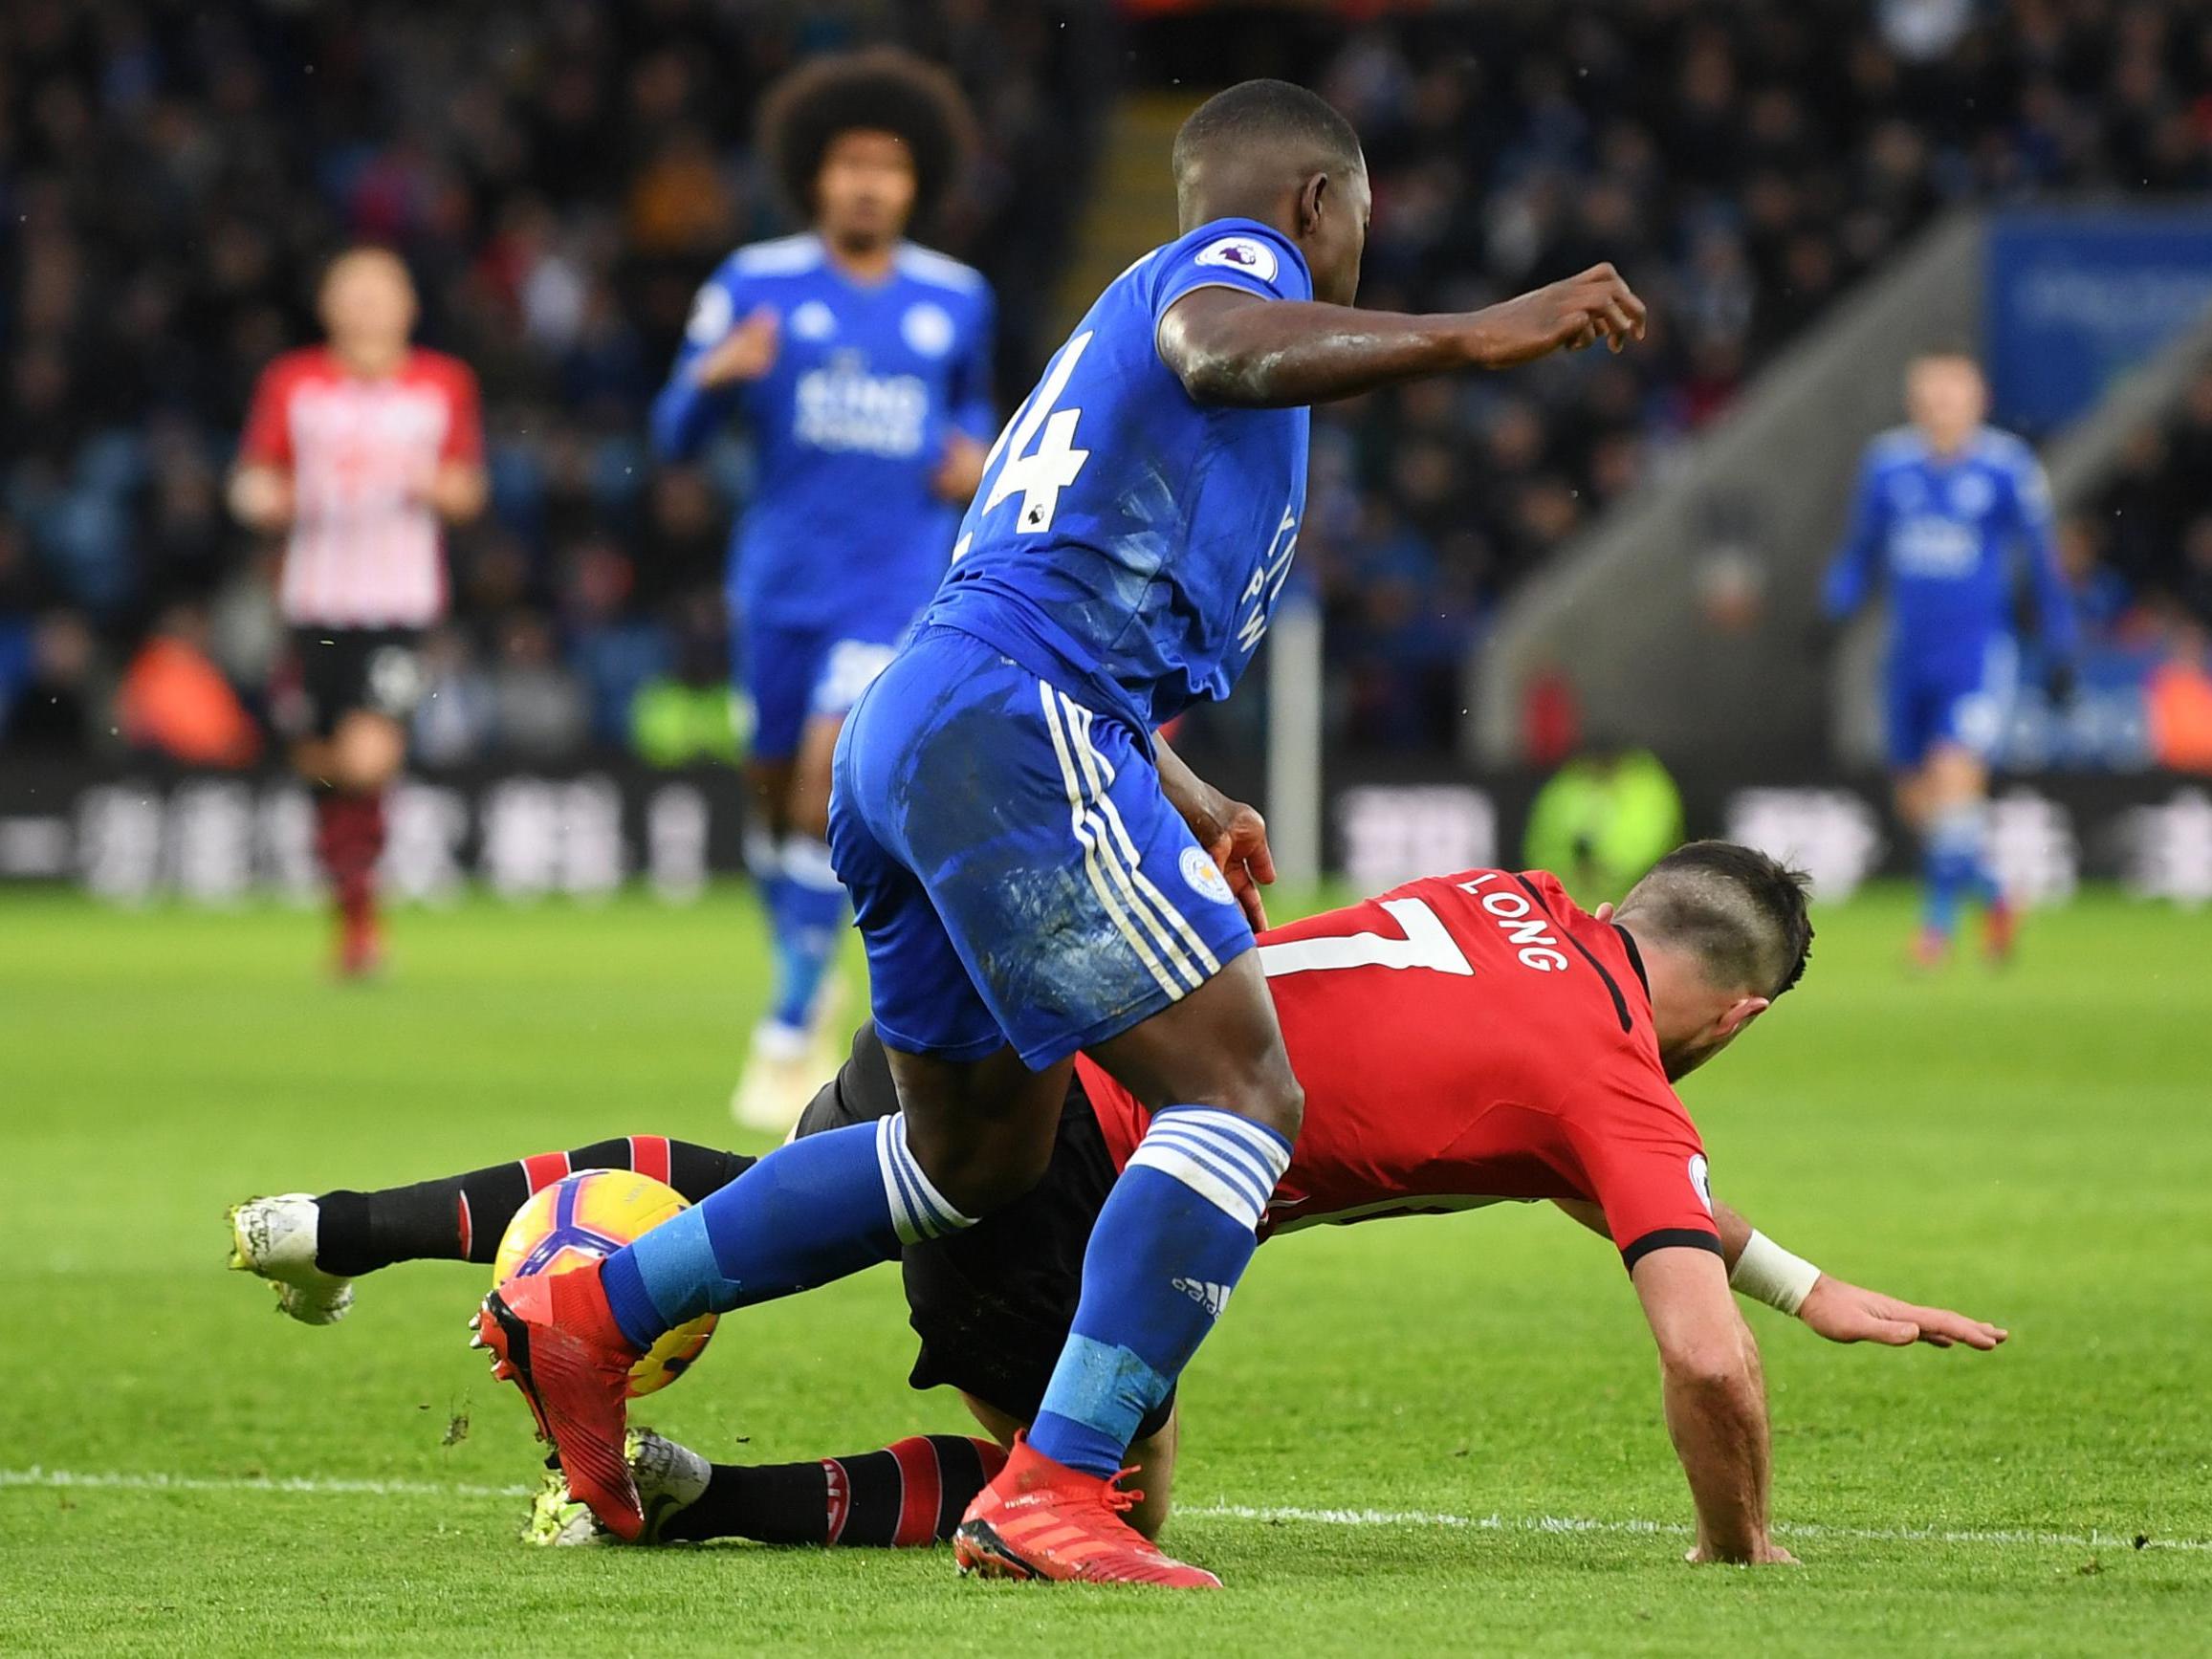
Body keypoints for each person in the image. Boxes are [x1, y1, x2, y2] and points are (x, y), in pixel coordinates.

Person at [477, 77, 1647, 1586]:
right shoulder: (1234, 274)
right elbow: (1216, 347)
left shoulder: (1085, 359)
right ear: (1314, 205)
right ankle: (1058, 1483)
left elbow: (1053, 581)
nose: (1356, 245)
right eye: (1358, 217)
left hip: (933, 716)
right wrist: (1477, 331)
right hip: (1018, 723)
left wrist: (1183, 783)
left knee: (970, 1153)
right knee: (1239, 1086)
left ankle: (593, 1310)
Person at [230, 843, 2004, 1561]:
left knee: (793, 1180)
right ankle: (685, 1498)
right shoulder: (1618, 1072)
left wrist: (1794, 1274)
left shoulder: (1504, 897)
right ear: (1741, 1015)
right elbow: (1696, 1361)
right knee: (1089, 1474)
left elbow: (1545, 1128)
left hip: (1020, 1023)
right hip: (1107, 1159)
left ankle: (364, 1233)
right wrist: (1734, 1541)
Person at [647, 50, 996, 1130]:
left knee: (817, 781)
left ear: (914, 183)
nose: (868, 185)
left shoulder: (956, 299)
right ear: (815, 176)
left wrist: (974, 461)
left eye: (888, 168)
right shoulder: (754, 284)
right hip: (780, 584)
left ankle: (788, 1026)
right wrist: (713, 381)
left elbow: (978, 420)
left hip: (895, 585)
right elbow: (671, 435)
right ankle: (802, 958)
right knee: (771, 799)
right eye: (850, 164)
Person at [230, 248, 488, 977]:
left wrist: (425, 484)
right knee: (319, 763)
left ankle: (363, 925)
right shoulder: (294, 383)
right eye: (355, 292)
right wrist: (263, 499)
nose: (369, 306)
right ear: (329, 306)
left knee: (368, 758)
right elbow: (253, 479)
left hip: (400, 606)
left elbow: (469, 490)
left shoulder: (441, 385)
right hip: (314, 601)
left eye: (383, 292)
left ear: (408, 306)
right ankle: (353, 918)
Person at [1822, 350, 2075, 968]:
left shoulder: (2006, 468)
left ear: (1976, 399)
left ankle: (1932, 929)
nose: (1939, 406)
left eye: (1951, 394)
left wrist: (2059, 644)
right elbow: (1861, 550)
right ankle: (1992, 893)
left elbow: (2040, 565)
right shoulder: (1887, 464)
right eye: (1928, 395)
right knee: (1917, 805)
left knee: (1953, 779)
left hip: (1975, 656)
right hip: (1907, 660)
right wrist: (1834, 606)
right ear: (1913, 401)